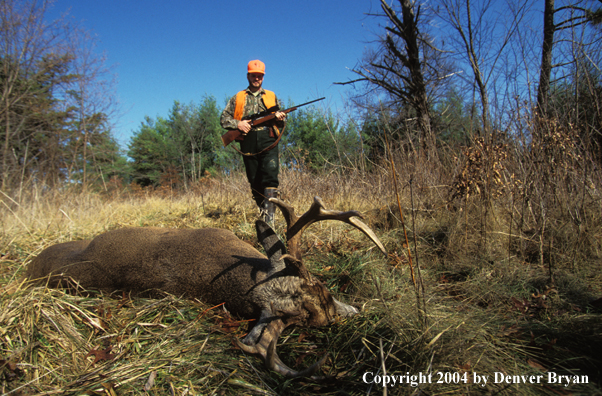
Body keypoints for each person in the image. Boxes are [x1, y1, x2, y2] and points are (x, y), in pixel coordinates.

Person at [220, 60, 286, 222]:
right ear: (248, 76)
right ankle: (263, 212)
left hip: (268, 138)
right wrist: (239, 124)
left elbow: (282, 121)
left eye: (260, 76)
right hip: (248, 139)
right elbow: (223, 119)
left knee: (270, 176)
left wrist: (279, 117)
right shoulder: (238, 97)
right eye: (254, 75)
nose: (257, 78)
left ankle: (269, 219)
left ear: (263, 77)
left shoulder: (271, 96)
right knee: (254, 179)